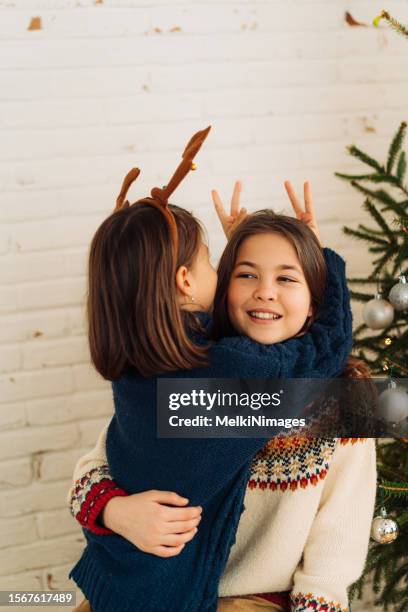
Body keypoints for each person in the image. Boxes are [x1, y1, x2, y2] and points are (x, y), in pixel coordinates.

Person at [68, 127, 356, 612]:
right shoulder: (213, 377)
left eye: (287, 278)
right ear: (199, 284)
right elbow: (92, 467)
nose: (264, 291)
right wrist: (115, 509)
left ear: (311, 298)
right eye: (238, 273)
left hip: (180, 590)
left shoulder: (161, 367)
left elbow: (335, 551)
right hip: (165, 594)